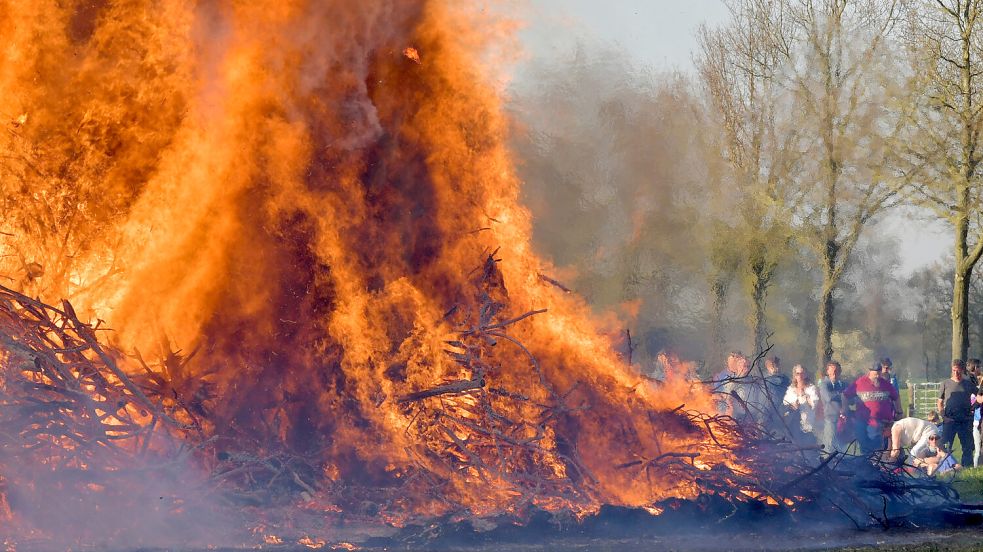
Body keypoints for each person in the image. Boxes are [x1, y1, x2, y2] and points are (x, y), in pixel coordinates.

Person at [843, 362, 900, 454]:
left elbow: (896, 397)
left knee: (876, 445)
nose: (877, 376)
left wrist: (899, 411)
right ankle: (867, 462)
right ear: (869, 372)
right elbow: (845, 395)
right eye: (875, 374)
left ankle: (874, 462)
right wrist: (845, 409)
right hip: (862, 420)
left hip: (880, 421)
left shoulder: (885, 384)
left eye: (878, 373)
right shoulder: (860, 383)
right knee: (863, 442)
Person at [938, 358, 975, 468]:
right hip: (950, 420)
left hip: (965, 420)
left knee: (967, 446)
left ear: (962, 370)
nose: (956, 373)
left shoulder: (968, 384)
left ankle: (966, 468)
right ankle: (945, 468)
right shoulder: (945, 383)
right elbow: (939, 402)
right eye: (954, 370)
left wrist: (973, 408)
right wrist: (944, 417)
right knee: (944, 445)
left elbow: (978, 396)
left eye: (958, 370)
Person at [783, 365, 820, 443]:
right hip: (794, 424)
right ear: (795, 375)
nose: (800, 375)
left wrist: (805, 397)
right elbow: (785, 404)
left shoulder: (811, 388)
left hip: (808, 424)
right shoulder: (791, 389)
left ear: (806, 375)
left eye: (802, 373)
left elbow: (815, 405)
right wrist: (793, 405)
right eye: (797, 373)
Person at [818, 361, 847, 452]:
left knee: (839, 443)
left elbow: (848, 398)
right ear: (828, 372)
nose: (834, 373)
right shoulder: (824, 384)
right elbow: (828, 397)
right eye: (832, 371)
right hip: (829, 417)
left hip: (841, 418)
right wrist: (842, 395)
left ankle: (836, 461)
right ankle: (826, 459)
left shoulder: (840, 384)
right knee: (829, 442)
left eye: (837, 371)